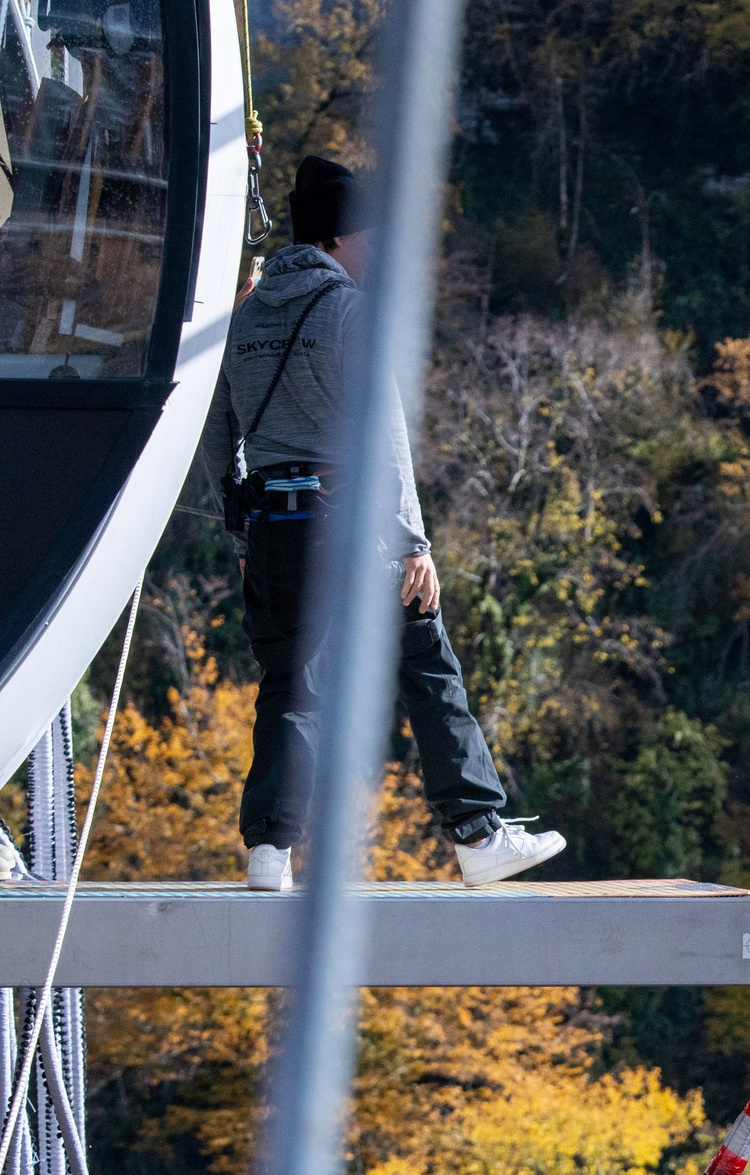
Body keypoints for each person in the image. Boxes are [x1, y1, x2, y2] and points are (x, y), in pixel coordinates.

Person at [207, 155, 564, 892]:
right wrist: (413, 542)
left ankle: (269, 852)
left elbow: (217, 431)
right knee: (427, 663)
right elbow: (385, 431)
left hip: (273, 523)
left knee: (290, 681)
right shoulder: (350, 312)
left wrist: (240, 529)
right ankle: (477, 834)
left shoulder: (243, 317)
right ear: (339, 238)